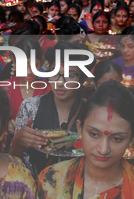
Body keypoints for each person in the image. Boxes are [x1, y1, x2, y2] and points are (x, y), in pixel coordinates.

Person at [11, 42, 94, 177]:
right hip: (35, 186)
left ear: (82, 79)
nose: (60, 82)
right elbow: (15, 163)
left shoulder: (91, 113)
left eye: (71, 75)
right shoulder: (30, 107)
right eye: (54, 73)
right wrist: (17, 141)